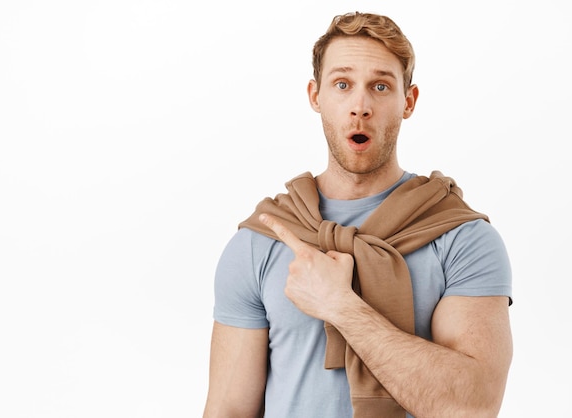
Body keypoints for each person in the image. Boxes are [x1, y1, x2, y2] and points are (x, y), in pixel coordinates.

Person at [203, 11, 513, 418]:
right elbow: (228, 409)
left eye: (380, 86)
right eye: (342, 84)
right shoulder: (260, 242)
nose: (360, 106)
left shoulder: (461, 238)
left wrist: (340, 305)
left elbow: (472, 407)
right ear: (316, 96)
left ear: (408, 101)